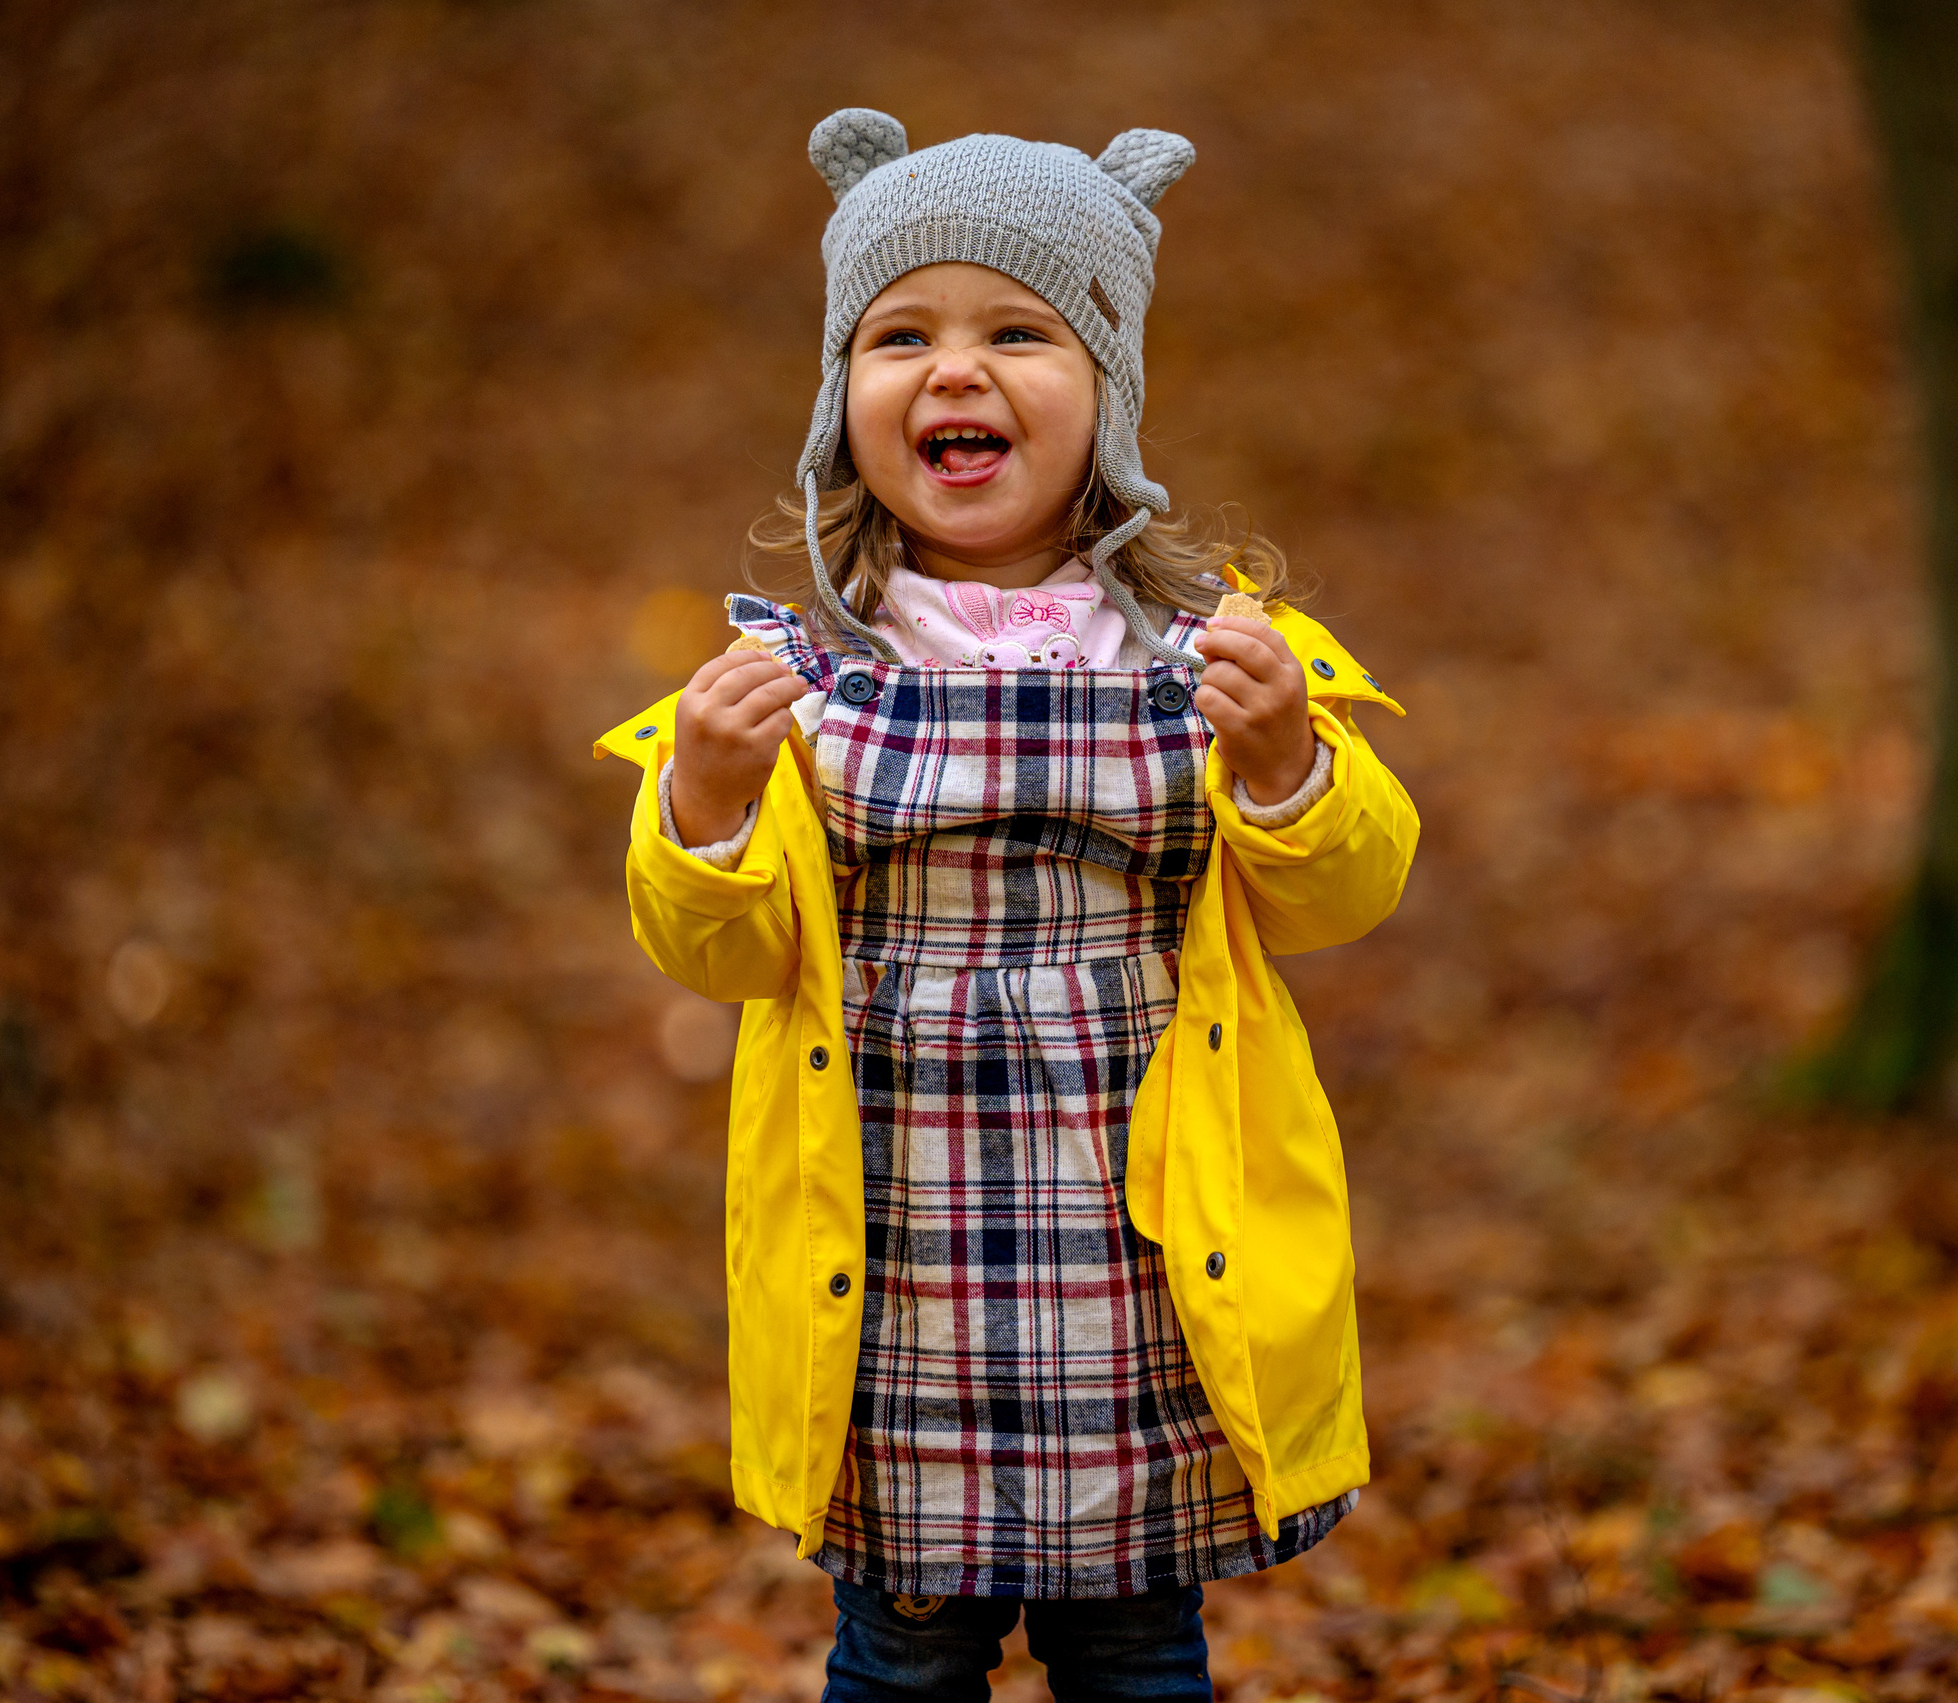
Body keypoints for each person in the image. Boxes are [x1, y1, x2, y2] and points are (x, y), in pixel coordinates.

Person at [594, 109, 1419, 1703]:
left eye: (1017, 332)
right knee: (901, 1655)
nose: (953, 371)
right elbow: (725, 949)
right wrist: (696, 803)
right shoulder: (801, 677)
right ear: (846, 403)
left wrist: (1284, 768)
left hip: (1140, 1271)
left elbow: (1348, 892)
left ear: (1107, 395)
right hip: (899, 1268)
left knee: (1136, 1648)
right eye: (900, 334)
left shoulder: (1212, 655)